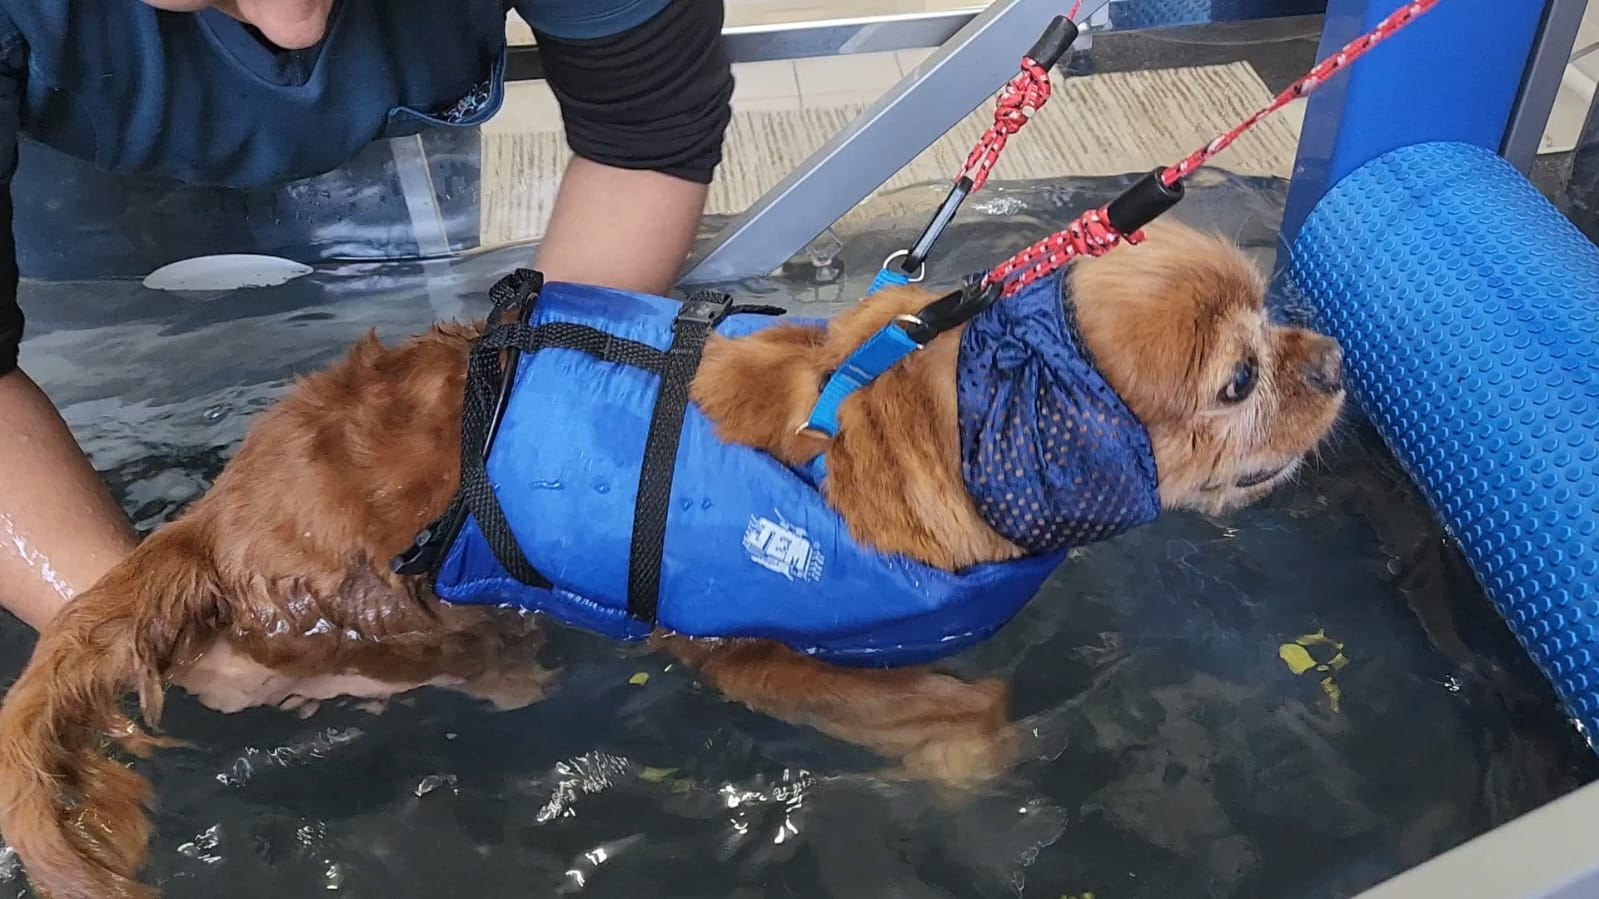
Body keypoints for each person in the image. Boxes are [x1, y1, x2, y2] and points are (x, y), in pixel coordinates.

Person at [0, 0, 732, 650]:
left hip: (392, 121)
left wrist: (502, 483)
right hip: (73, 154)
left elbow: (642, 136)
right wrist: (169, 646)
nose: (296, 22)